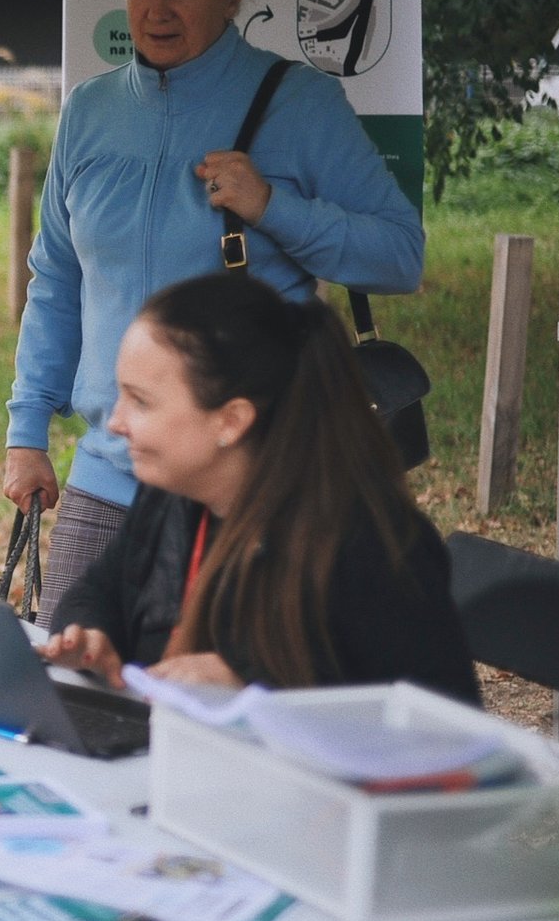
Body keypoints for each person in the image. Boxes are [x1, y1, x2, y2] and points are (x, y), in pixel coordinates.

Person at [4, 0, 425, 623]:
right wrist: (27, 430)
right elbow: (57, 280)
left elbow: (399, 254)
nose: (155, 9)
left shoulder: (297, 103)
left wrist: (273, 207)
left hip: (247, 482)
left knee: (229, 700)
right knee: (67, 690)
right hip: (109, 469)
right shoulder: (90, 112)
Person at [40, 273, 478, 702]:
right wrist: (91, 633)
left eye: (140, 401)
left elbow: (442, 734)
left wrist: (254, 688)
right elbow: (98, 591)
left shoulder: (372, 547)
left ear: (231, 420)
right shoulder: (177, 498)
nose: (115, 422)